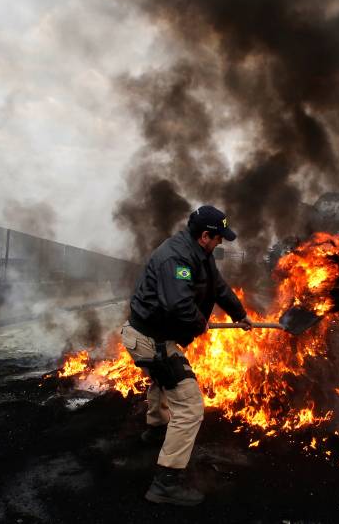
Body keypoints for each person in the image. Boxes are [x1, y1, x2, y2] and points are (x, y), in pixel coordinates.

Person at [120, 205, 248, 506]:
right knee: (190, 405)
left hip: (156, 337)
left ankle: (155, 430)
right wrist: (200, 323)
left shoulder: (200, 255)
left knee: (161, 381)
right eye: (219, 239)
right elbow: (178, 305)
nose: (220, 244)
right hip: (151, 340)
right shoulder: (176, 258)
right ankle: (166, 483)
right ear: (205, 235)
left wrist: (239, 314)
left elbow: (219, 287)